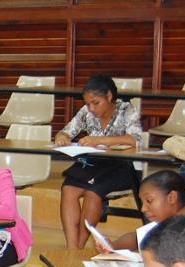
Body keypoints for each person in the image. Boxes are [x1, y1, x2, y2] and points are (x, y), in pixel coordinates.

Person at [54, 75, 143, 249]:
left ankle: (77, 247)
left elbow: (134, 139)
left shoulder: (126, 110)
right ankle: (72, 248)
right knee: (68, 189)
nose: (91, 108)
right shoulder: (86, 111)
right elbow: (66, 131)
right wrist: (62, 137)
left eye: (96, 103)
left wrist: (100, 140)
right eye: (88, 104)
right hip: (92, 163)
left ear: (109, 96)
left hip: (120, 165)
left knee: (92, 192)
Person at [96, 170, 185, 252]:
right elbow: (136, 238)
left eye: (149, 200)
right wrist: (113, 246)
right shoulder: (167, 221)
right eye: (142, 202)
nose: (143, 208)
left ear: (171, 197)